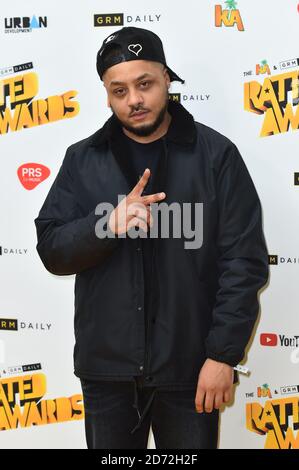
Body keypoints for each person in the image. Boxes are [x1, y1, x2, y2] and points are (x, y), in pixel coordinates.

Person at [34, 26, 269, 449]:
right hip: (108, 375)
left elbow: (244, 263)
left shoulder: (216, 157)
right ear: (106, 94)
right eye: (119, 90)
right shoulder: (83, 160)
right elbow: (51, 249)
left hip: (190, 370)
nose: (134, 100)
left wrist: (222, 357)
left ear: (166, 78)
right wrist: (105, 225)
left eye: (144, 84)